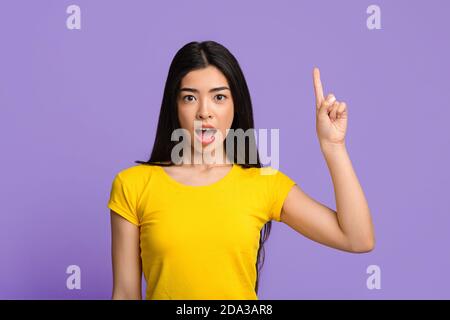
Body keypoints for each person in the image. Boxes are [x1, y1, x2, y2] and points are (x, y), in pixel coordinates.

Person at [107, 40, 375, 300]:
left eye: (219, 97)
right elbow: (126, 294)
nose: (204, 112)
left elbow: (357, 238)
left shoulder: (263, 184)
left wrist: (334, 146)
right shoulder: (133, 185)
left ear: (236, 105)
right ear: (174, 106)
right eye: (190, 97)